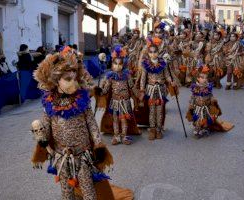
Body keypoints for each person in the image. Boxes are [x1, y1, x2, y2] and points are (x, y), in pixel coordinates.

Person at [31, 46, 133, 200]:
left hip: (83, 156)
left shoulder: (82, 101)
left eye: (74, 78)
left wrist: (98, 144)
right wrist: (40, 135)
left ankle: (122, 135)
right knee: (67, 193)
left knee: (89, 192)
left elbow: (92, 123)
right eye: (68, 79)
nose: (74, 83)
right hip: (62, 157)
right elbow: (47, 128)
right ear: (56, 80)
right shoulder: (49, 103)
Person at [97, 45, 140, 145]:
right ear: (112, 64)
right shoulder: (110, 76)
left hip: (125, 102)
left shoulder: (127, 75)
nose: (117, 66)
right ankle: (116, 136)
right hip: (115, 102)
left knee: (124, 119)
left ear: (123, 64)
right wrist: (100, 91)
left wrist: (138, 95)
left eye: (120, 64)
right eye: (115, 64)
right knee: (115, 119)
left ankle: (124, 136)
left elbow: (132, 86)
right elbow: (107, 89)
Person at [139, 38, 176, 140]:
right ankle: (152, 129)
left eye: (155, 52)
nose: (153, 54)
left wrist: (170, 81)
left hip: (161, 89)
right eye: (150, 52)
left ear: (158, 52)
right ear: (148, 53)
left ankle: (159, 129)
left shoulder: (163, 63)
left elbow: (167, 75)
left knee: (159, 110)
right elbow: (143, 78)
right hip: (150, 89)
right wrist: (142, 90)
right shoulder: (145, 64)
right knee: (151, 110)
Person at [186, 66, 234, 138]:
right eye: (202, 78)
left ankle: (205, 128)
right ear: (198, 79)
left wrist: (213, 101)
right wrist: (191, 105)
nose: (204, 79)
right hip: (198, 108)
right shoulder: (195, 87)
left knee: (207, 119)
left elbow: (211, 96)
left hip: (206, 107)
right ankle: (197, 129)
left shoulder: (208, 87)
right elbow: (193, 97)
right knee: (198, 118)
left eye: (205, 78)